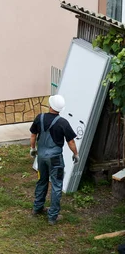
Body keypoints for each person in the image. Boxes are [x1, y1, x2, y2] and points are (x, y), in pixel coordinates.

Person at [30, 94, 79, 226]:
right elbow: (71, 141)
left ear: (50, 105)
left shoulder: (39, 118)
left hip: (41, 157)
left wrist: (33, 148)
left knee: (42, 180)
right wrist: (75, 154)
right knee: (56, 186)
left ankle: (37, 208)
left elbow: (33, 134)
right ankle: (53, 216)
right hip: (55, 159)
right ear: (60, 109)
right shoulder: (62, 123)